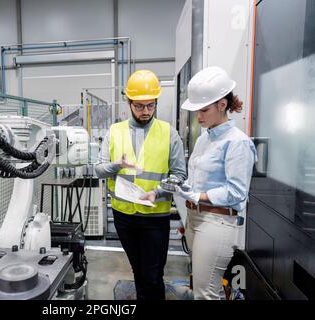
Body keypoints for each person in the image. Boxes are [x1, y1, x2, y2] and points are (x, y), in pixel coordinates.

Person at [144, 66, 257, 299]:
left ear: (222, 105)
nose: (199, 117)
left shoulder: (237, 143)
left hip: (216, 221)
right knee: (202, 288)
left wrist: (199, 197)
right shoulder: (205, 139)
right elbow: (196, 180)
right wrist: (184, 191)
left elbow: (236, 192)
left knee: (206, 294)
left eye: (204, 110)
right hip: (196, 219)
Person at [95, 70, 186, 300]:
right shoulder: (114, 131)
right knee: (138, 271)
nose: (145, 111)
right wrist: (118, 164)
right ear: (129, 103)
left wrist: (158, 192)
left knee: (153, 275)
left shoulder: (169, 133)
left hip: (155, 218)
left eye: (150, 105)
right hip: (124, 217)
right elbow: (99, 169)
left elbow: (179, 175)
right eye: (139, 106)